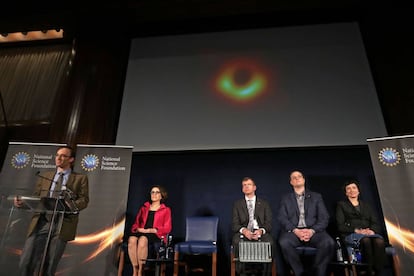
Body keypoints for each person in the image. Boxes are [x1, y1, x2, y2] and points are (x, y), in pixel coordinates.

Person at [14, 145, 89, 276]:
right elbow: (35, 197)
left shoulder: (80, 178)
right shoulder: (45, 175)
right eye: (57, 155)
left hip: (62, 223)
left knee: (50, 263)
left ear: (71, 159)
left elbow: (84, 199)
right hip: (42, 221)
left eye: (63, 156)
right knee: (27, 260)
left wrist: (70, 205)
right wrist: (23, 203)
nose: (58, 158)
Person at [278, 170, 335, 276]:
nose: (297, 178)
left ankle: (315, 271)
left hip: (314, 231)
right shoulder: (286, 198)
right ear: (291, 182)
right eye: (294, 177)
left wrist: (312, 231)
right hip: (294, 232)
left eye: (299, 176)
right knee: (284, 242)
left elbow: (324, 217)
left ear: (304, 180)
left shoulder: (316, 197)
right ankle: (299, 272)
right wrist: (296, 231)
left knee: (328, 243)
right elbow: (282, 218)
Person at [336, 180, 386, 275]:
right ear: (346, 193)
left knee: (379, 241)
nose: (352, 190)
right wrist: (357, 231)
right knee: (365, 240)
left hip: (369, 233)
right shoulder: (341, 205)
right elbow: (340, 225)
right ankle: (368, 271)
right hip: (352, 234)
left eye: (354, 188)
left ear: (358, 191)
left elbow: (375, 223)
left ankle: (377, 271)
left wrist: (372, 231)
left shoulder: (367, 205)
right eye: (348, 189)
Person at [232, 177, 274, 273]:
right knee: (236, 242)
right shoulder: (237, 204)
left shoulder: (264, 204)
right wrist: (245, 231)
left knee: (270, 243)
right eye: (244, 185)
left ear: (254, 187)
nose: (246, 187)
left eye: (249, 185)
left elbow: (269, 224)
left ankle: (266, 273)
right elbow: (234, 225)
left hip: (260, 232)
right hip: (244, 233)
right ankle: (241, 273)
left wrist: (260, 231)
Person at [128, 185, 172, 276]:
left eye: (157, 192)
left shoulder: (166, 210)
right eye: (152, 192)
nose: (154, 194)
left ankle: (141, 270)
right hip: (142, 231)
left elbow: (167, 228)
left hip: (155, 234)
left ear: (161, 196)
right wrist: (137, 228)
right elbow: (136, 223)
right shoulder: (144, 208)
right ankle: (135, 269)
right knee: (132, 239)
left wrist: (151, 230)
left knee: (143, 240)